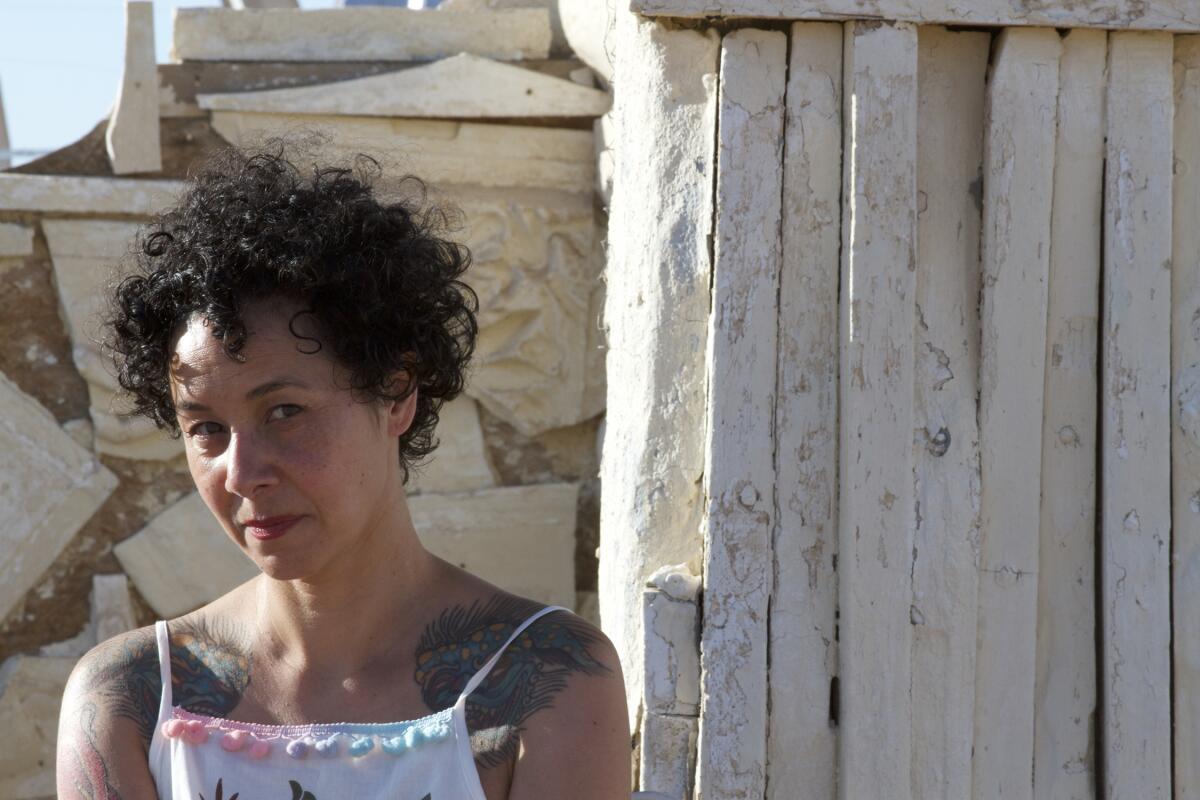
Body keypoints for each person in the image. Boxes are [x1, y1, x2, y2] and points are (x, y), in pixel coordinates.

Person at [55, 146, 631, 800]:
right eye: (206, 428)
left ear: (397, 391)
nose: (241, 474)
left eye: (285, 411)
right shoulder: (130, 700)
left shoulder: (548, 680)